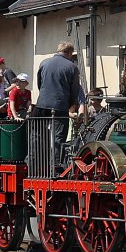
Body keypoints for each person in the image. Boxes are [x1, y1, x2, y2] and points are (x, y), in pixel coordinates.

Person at [33, 41, 81, 173]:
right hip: (59, 105)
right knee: (58, 137)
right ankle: (54, 166)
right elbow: (74, 90)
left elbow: (39, 84)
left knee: (37, 134)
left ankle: (34, 163)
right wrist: (71, 105)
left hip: (41, 105)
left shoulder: (44, 63)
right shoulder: (72, 67)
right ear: (70, 53)